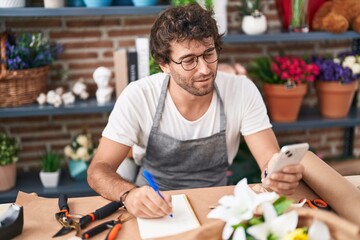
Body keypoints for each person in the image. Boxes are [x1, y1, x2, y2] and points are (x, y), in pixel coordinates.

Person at [87, 3, 304, 219]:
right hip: (155, 206)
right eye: (189, 60)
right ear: (164, 63)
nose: (204, 69)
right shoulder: (139, 96)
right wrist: (129, 195)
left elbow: (268, 160)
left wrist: (274, 174)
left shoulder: (242, 91)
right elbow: (98, 170)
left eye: (209, 53)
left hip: (215, 205)